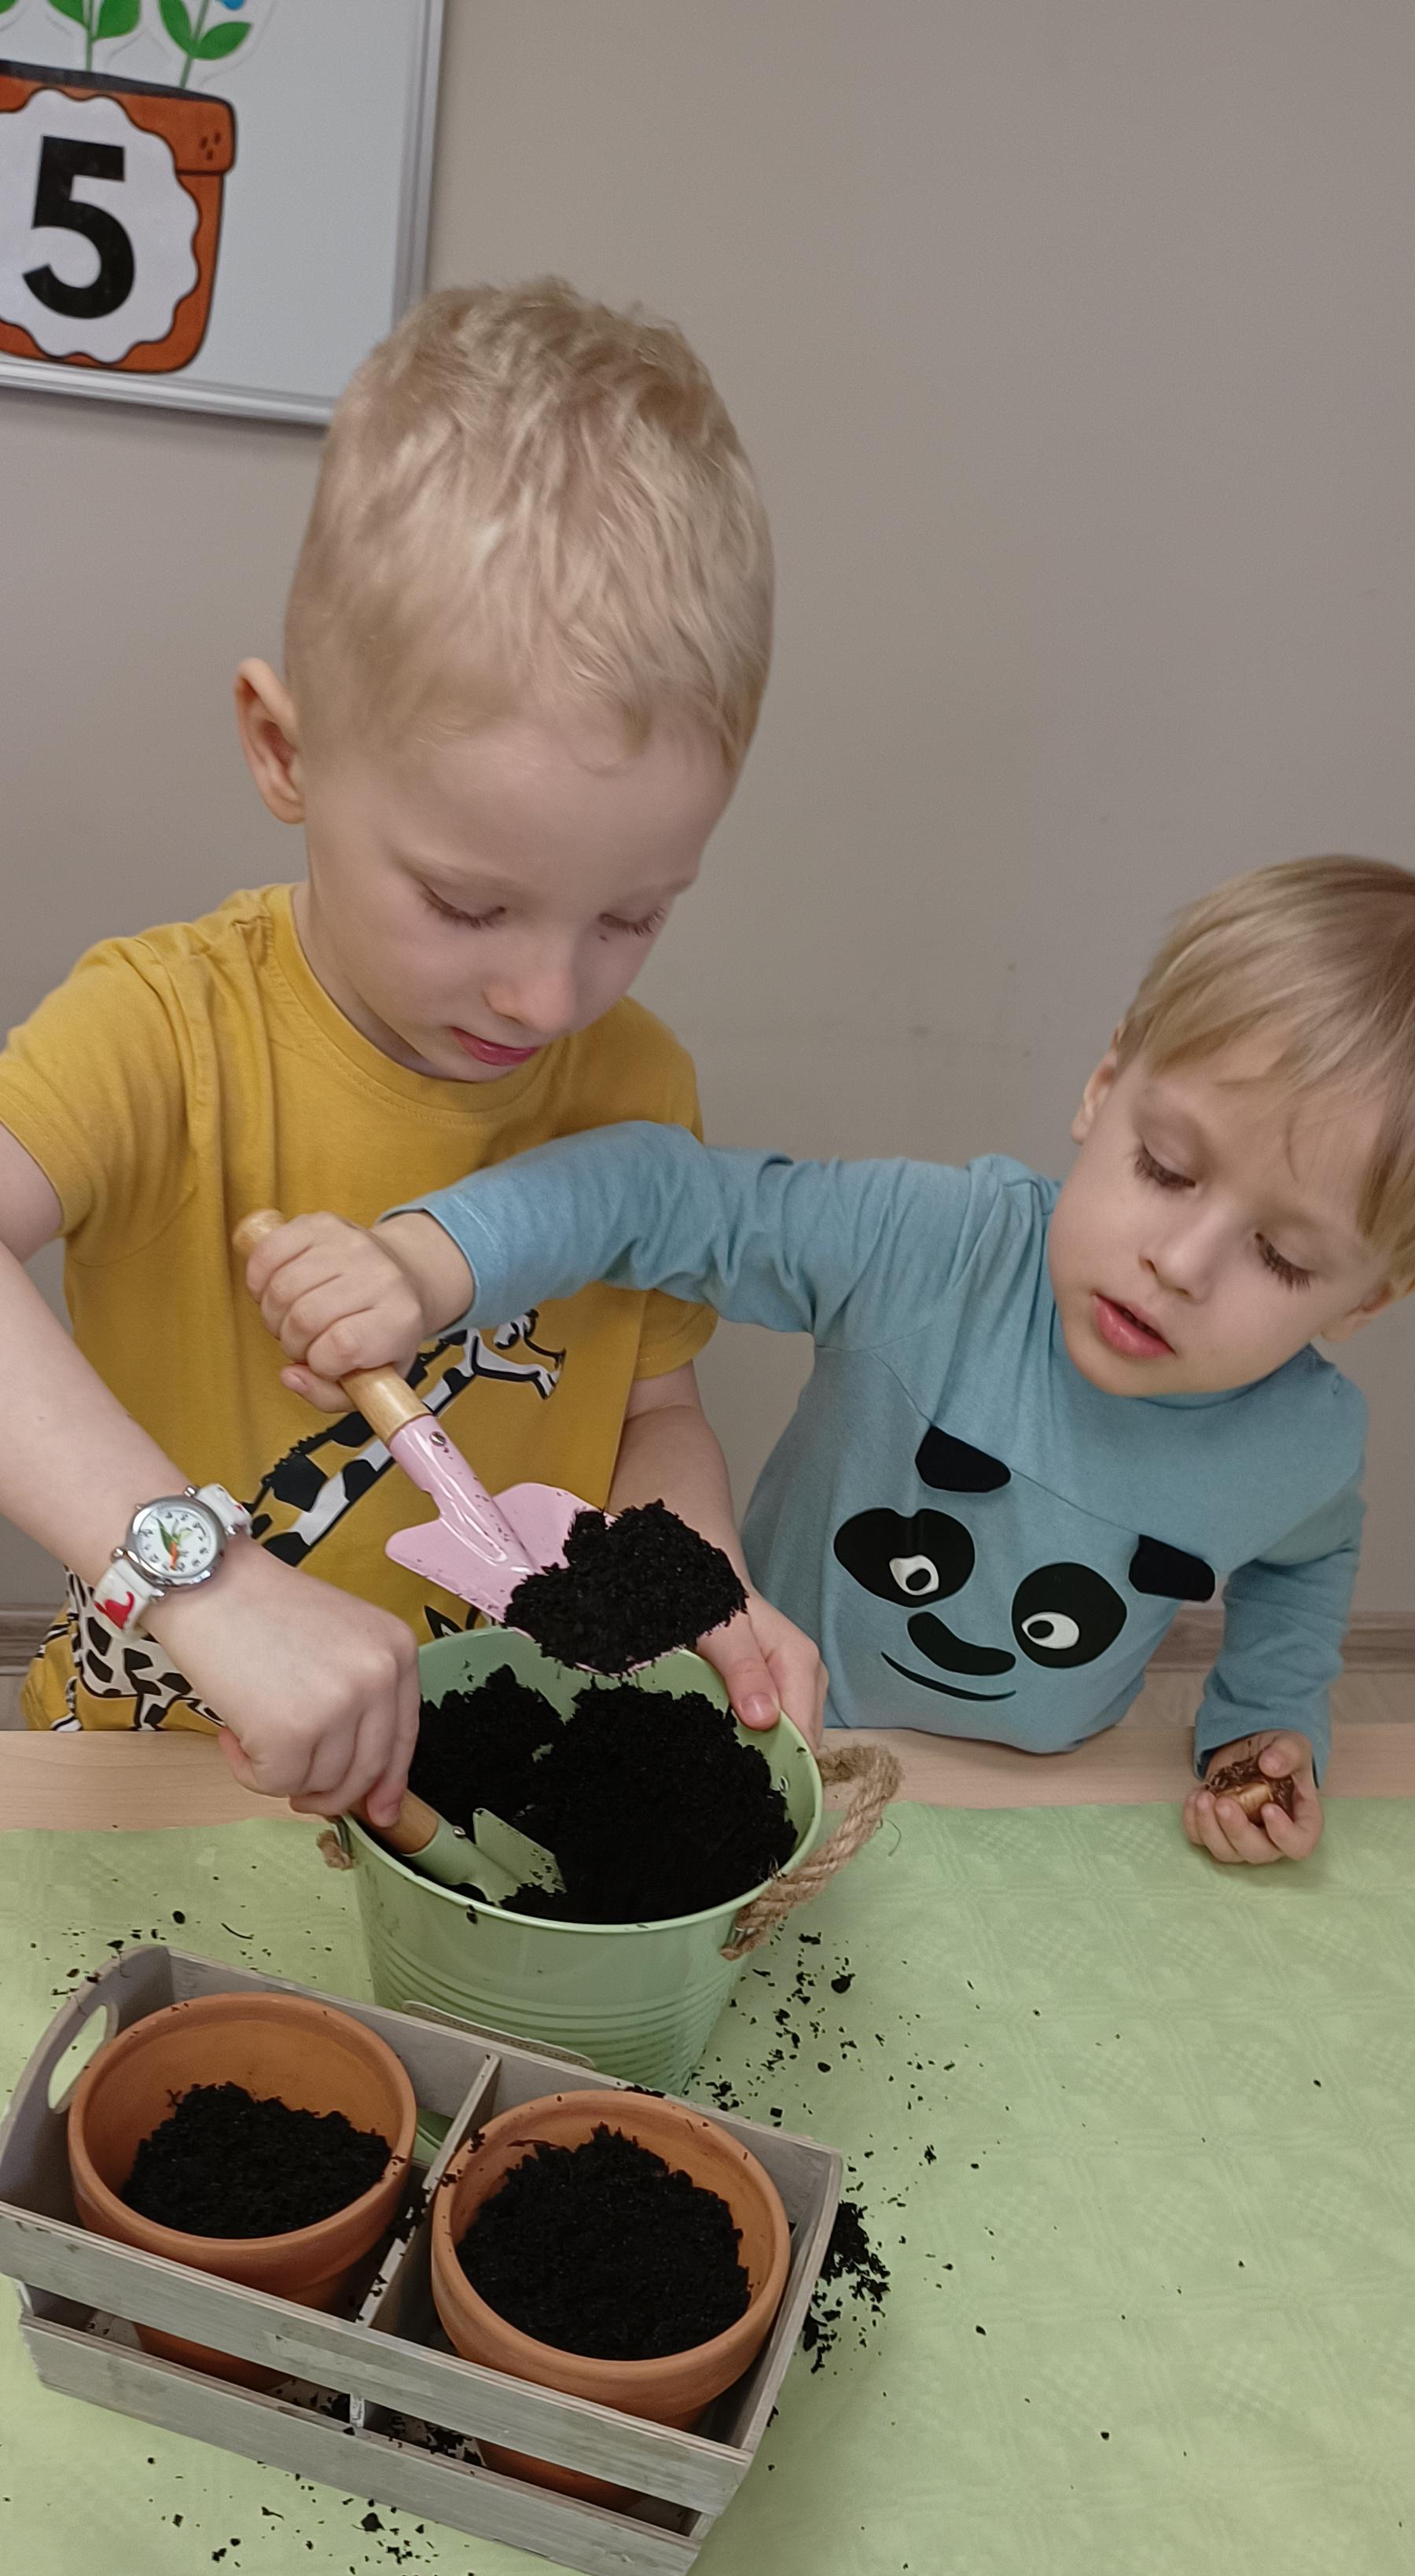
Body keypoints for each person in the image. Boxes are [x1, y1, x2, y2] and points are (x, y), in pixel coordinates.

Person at [0, 278, 820, 1827]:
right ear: (286, 750)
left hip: (483, 1795)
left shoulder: (638, 1083)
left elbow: (650, 1414)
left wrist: (691, 1582)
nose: (545, 995)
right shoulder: (164, 1028)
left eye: (633, 915)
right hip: (155, 1779)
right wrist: (213, 1582)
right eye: (466, 902)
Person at [248, 858, 1415, 1867]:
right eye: (1165, 1168)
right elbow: (654, 1195)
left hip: (1038, 1806)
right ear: (1104, 1089)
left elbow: (1306, 1555)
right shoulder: (936, 1247)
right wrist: (429, 1266)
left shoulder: (1304, 1442)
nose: (1181, 1264)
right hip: (758, 1738)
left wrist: (1265, 1715)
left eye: (1281, 1254)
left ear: (1368, 1297)